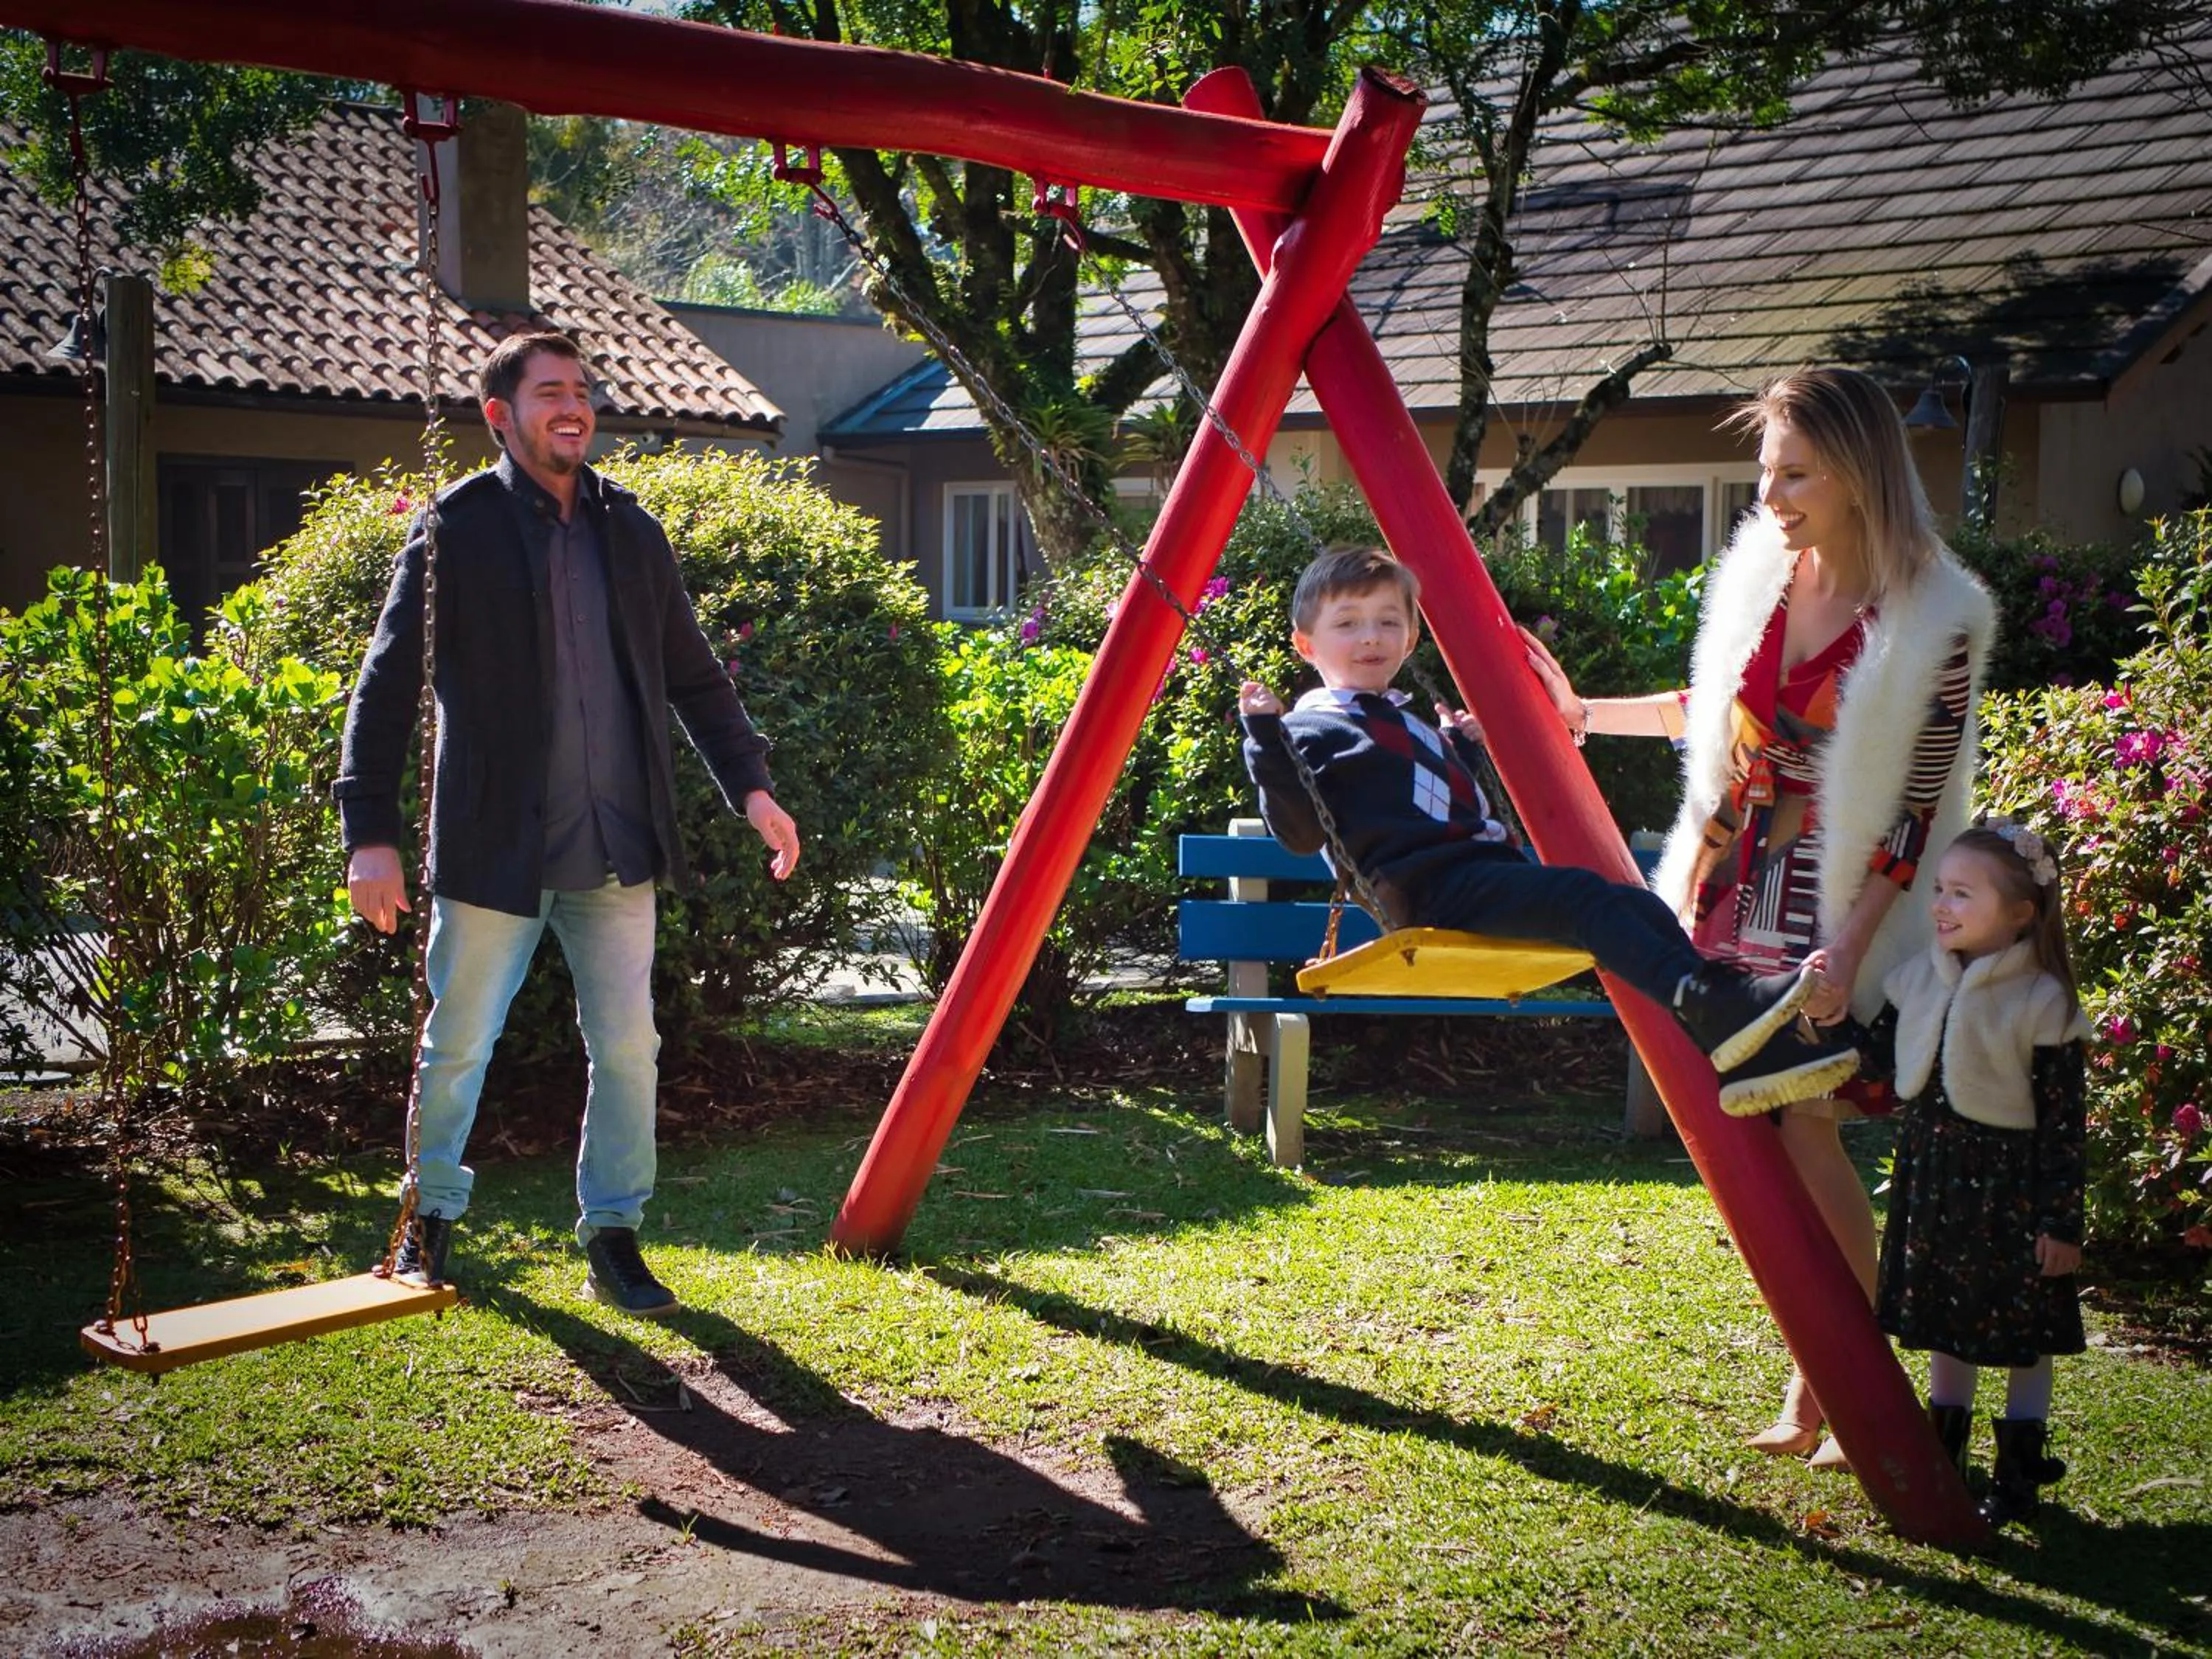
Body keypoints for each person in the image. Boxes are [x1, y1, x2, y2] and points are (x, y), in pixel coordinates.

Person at [1524, 364, 1997, 1466]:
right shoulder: (1766, 576)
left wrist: (1851, 947)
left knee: (1808, 1127)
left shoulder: (1936, 616)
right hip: (1734, 884)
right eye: (1766, 472)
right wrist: (1583, 713)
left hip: (1839, 903)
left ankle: (1844, 1385)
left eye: (1796, 474)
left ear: (1860, 473)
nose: (1770, 497)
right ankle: (1821, 1376)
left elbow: (1915, 815)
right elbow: (1715, 713)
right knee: (1759, 1143)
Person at [337, 330, 801, 1318]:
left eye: (582, 390)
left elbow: (694, 676)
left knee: (629, 1049)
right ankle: (429, 1215)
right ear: (499, 416)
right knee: (459, 1045)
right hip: (494, 847)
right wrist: (369, 831)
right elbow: (385, 685)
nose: (574, 406)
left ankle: (614, 1234)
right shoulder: (455, 529)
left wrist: (752, 788)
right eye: (550, 391)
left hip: (616, 846)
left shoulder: (631, 531)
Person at [1237, 545, 1862, 1112]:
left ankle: (1748, 1048)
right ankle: (1719, 1006)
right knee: (1586, 899)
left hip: (1478, 875)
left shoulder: (1409, 721)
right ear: (1306, 645)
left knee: (1638, 906)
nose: (1371, 636)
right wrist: (1265, 738)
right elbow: (1300, 835)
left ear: (1411, 638)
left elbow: (1432, 803)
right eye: (1348, 623)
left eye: (1387, 621)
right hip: (1428, 890)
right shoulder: (1306, 730)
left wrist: (1463, 751)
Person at [1859, 821, 2090, 1526]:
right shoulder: (1917, 978)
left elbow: (2063, 1125)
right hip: (1935, 1183)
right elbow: (1871, 1056)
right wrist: (1816, 1017)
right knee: (1944, 1319)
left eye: (1962, 893)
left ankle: (2019, 1471)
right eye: (1939, 889)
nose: (1941, 904)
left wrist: (2060, 1224)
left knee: (2022, 1329)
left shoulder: (2044, 1001)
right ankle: (1944, 1455)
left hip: (2009, 1193)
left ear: (2020, 912)